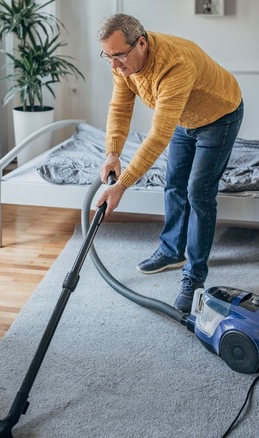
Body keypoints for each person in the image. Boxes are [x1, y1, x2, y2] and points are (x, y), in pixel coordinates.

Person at [95, 14, 244, 312]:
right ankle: (172, 250)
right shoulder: (123, 61)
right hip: (182, 119)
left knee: (198, 192)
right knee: (174, 183)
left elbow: (158, 136)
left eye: (119, 56)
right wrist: (112, 152)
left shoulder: (175, 65)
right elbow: (120, 107)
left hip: (219, 117)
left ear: (141, 43)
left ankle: (194, 274)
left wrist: (123, 185)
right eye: (107, 56)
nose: (113, 65)